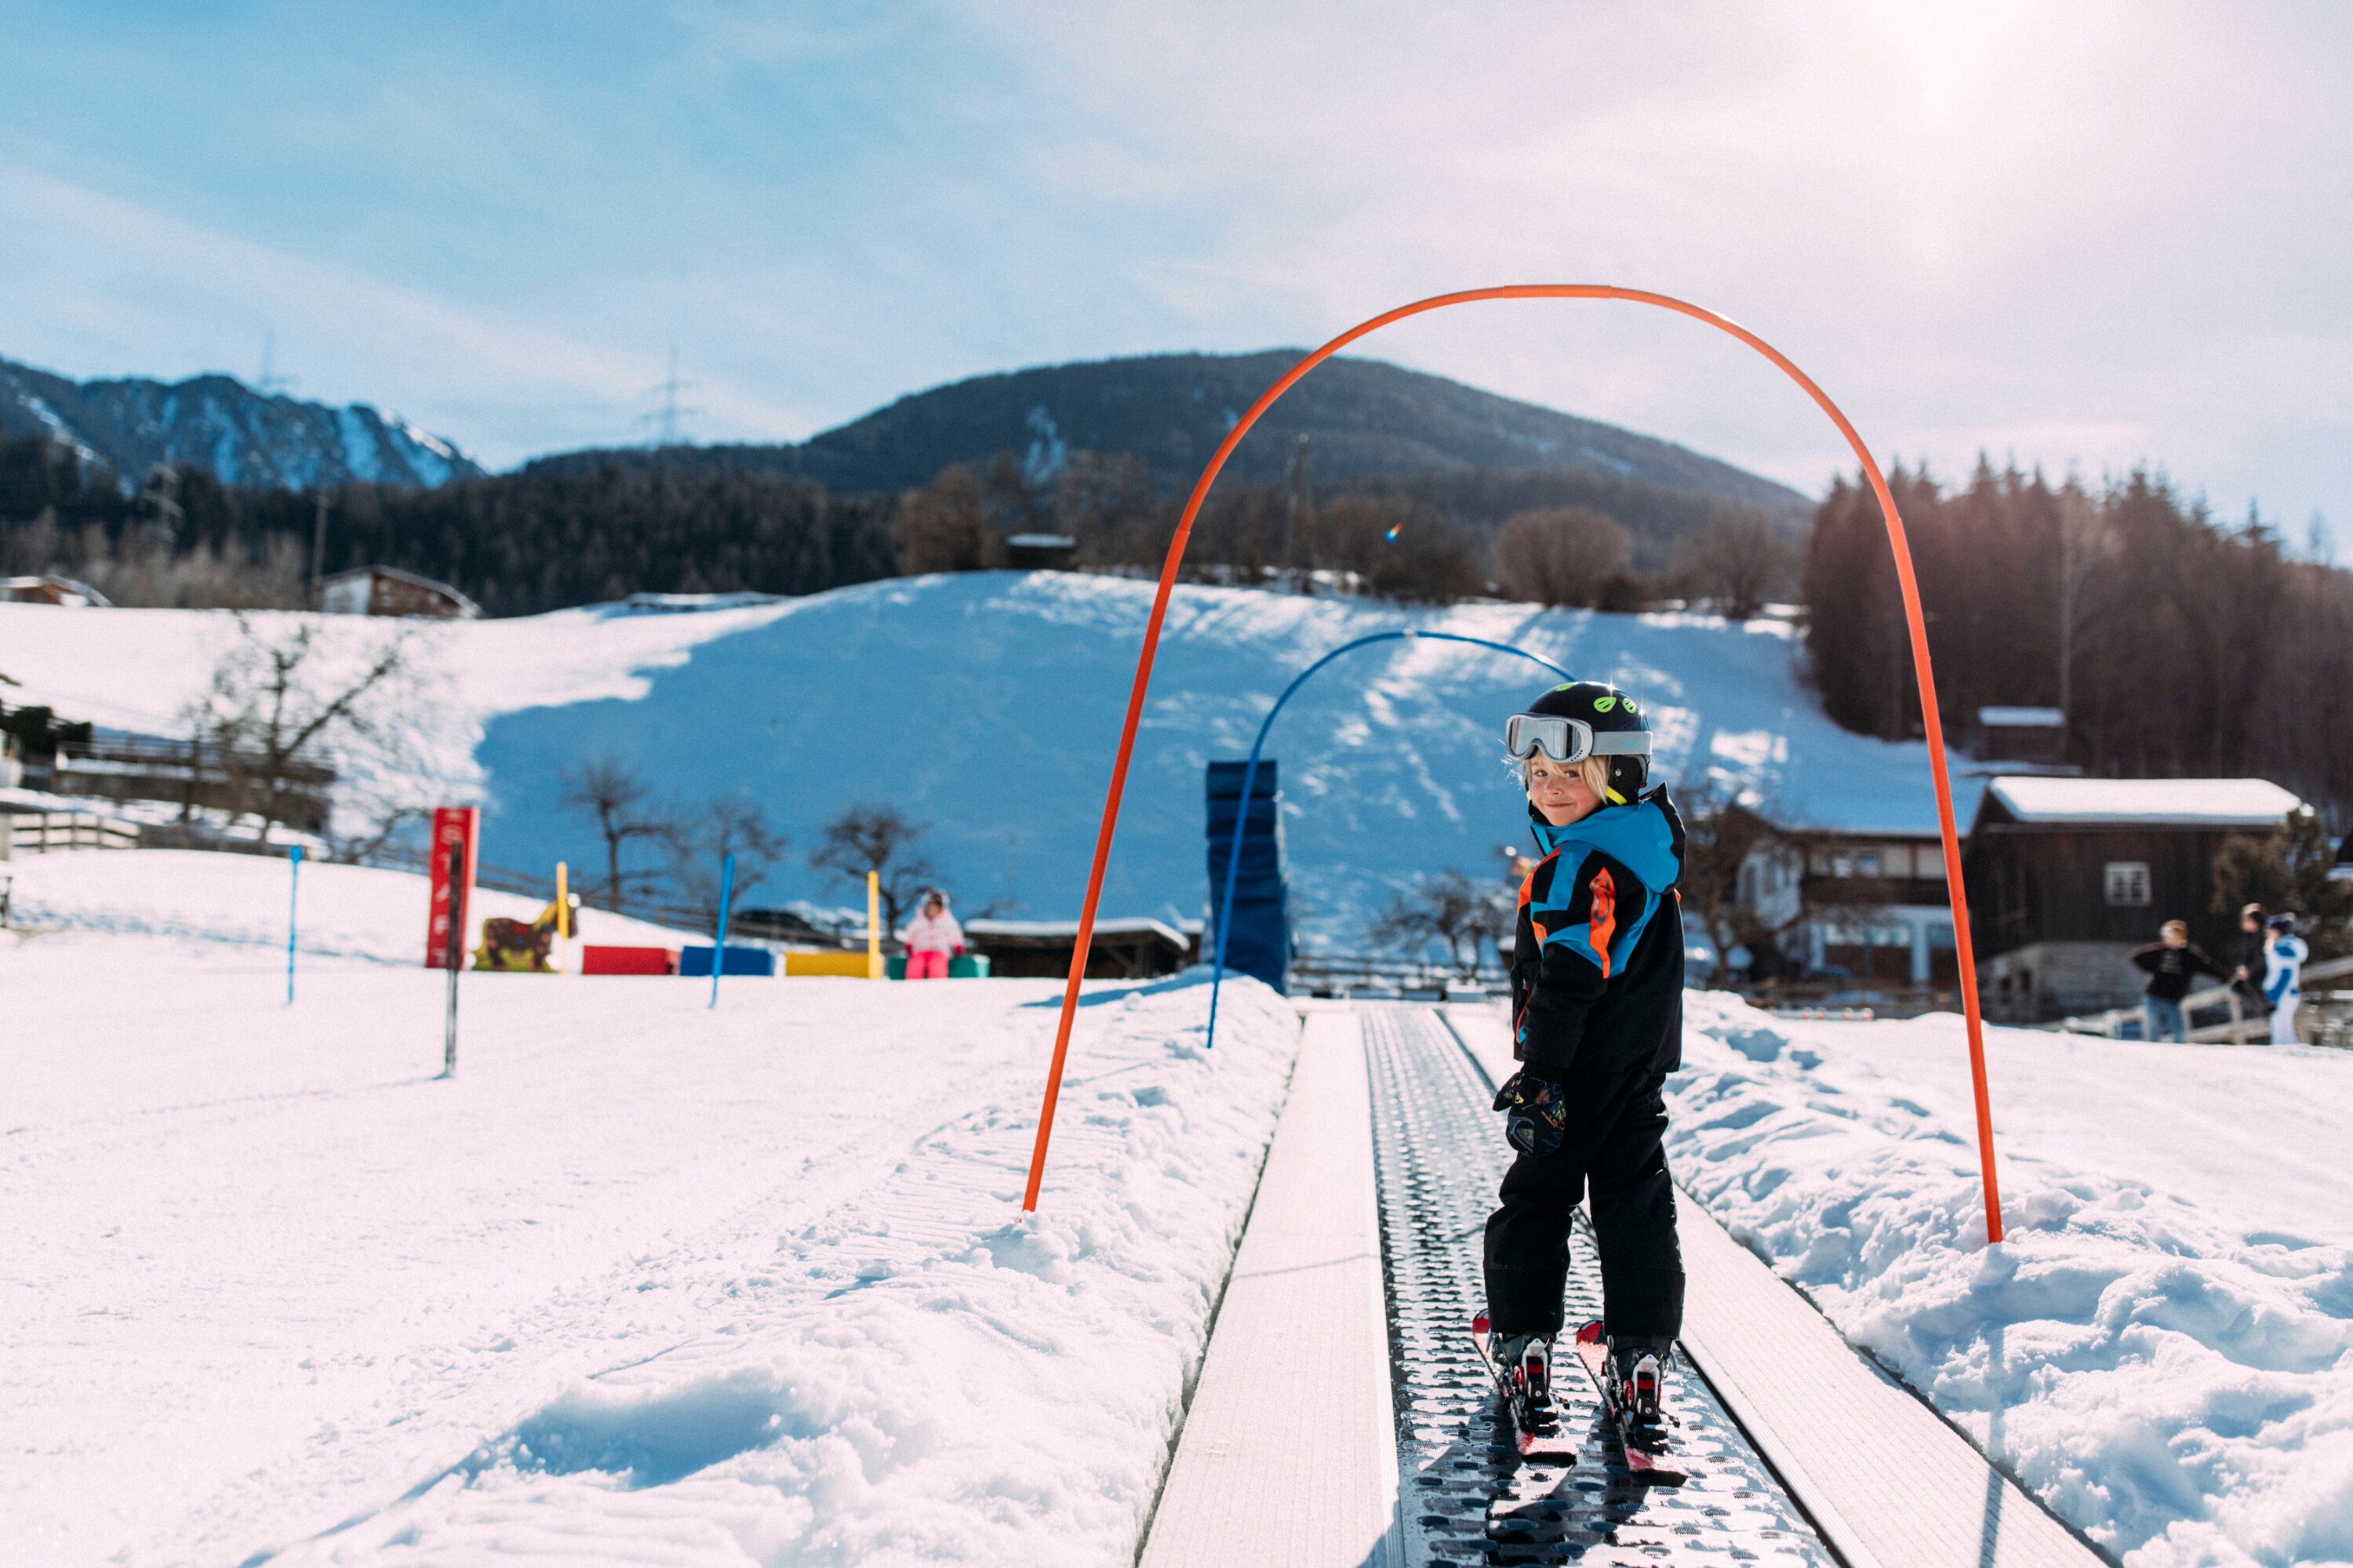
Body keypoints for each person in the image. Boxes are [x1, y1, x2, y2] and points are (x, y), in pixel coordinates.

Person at [1486, 680, 1686, 1430]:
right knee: (1636, 1212)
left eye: (1571, 773)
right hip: (1638, 1079)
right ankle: (1640, 1354)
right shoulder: (1650, 857)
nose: (1550, 788)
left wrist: (1540, 1078)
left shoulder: (1576, 867)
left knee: (1536, 1204)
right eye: (1537, 775)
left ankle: (1525, 1341)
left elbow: (1569, 980)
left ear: (1617, 777)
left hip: (1571, 1081)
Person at [2130, 919, 2226, 1043]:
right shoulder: (2158, 952)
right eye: (2167, 937)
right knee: (2154, 1031)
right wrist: (2152, 970)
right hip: (2154, 997)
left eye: (2173, 937)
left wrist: (2226, 977)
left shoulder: (2189, 956)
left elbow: (2208, 967)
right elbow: (2136, 957)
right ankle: (2153, 1058)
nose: (2169, 940)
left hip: (2172, 1001)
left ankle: (2178, 1057)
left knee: (2178, 1032)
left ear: (2181, 938)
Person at [896, 890, 964, 980]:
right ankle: (912, 983)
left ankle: (936, 983)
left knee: (937, 964)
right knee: (915, 963)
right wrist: (909, 944)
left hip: (939, 951)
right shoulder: (919, 921)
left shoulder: (947, 922)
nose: (933, 910)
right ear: (926, 907)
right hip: (920, 950)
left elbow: (955, 934)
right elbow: (912, 932)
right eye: (931, 907)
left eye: (936, 907)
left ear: (941, 908)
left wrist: (958, 946)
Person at [2264, 913, 2310, 1046]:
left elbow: (2286, 974)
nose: (2267, 932)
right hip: (2285, 994)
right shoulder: (2281, 947)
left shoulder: (2284, 949)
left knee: (2281, 1028)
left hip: (2285, 994)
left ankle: (2286, 1056)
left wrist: (2274, 994)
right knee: (2281, 1025)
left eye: (2270, 929)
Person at [2230, 903, 2273, 1024]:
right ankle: (2260, 1005)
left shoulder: (2265, 934)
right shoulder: (2247, 937)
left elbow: (2264, 957)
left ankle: (2267, 1006)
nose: (2244, 922)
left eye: (2247, 919)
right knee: (2236, 986)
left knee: (2253, 981)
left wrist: (2250, 970)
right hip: (2251, 970)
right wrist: (2242, 969)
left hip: (2263, 968)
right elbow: (2244, 958)